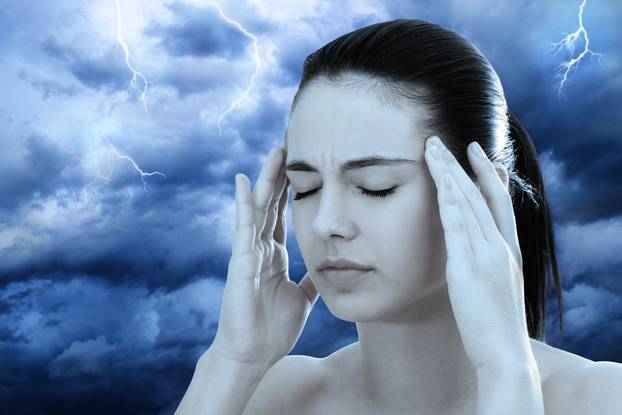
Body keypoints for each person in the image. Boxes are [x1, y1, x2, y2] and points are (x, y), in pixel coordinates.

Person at [175, 19, 622, 415]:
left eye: (376, 186)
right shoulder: (275, 396)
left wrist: (505, 370)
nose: (324, 223)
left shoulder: (602, 399)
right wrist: (232, 363)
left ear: (484, 193)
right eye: (305, 189)